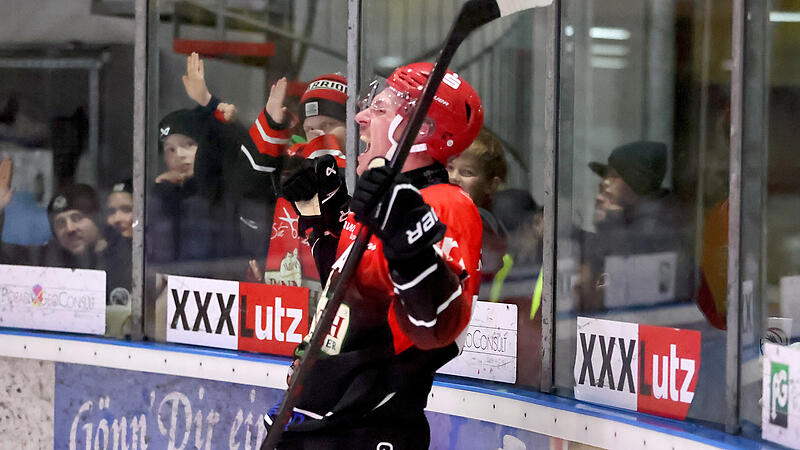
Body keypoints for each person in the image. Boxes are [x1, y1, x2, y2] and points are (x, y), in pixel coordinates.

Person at [266, 62, 484, 449]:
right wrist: (320, 219)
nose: (360, 118)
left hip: (367, 427)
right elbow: (352, 298)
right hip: (321, 416)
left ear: (420, 130)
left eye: (379, 109)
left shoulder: (444, 205)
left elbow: (435, 329)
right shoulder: (378, 203)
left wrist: (411, 247)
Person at [575, 140, 692, 312]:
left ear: (637, 185)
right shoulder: (624, 224)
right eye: (606, 176)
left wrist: (610, 225)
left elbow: (617, 290)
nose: (605, 183)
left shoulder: (658, 232)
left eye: (614, 176)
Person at [446, 127, 508, 280]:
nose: (454, 177)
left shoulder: (481, 226)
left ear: (491, 185)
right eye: (450, 167)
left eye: (467, 172)